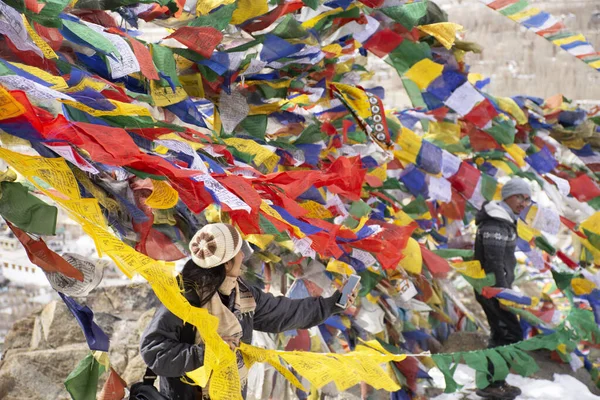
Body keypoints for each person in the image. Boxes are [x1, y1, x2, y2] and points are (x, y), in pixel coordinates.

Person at [140, 223, 356, 400]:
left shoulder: (243, 294)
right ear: (226, 264)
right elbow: (154, 351)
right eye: (239, 253)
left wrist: (333, 304)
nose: (243, 257)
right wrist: (206, 353)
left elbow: (286, 312)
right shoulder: (182, 299)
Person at [473, 177, 531, 399]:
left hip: (496, 288)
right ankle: (490, 384)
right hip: (491, 288)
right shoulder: (495, 221)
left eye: (527, 199)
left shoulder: (504, 220)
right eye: (520, 197)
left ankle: (494, 382)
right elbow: (494, 261)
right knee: (510, 333)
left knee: (502, 333)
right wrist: (502, 294)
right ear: (507, 195)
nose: (523, 203)